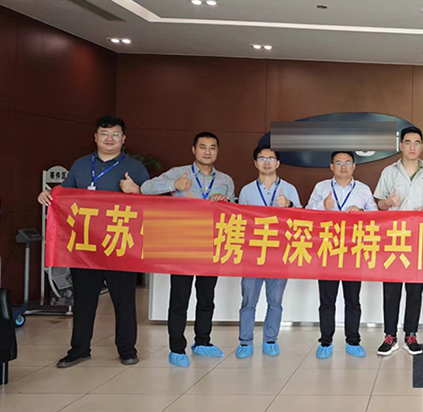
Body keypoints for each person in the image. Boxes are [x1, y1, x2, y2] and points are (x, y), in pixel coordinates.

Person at [37, 115, 149, 367]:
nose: (110, 139)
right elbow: (64, 195)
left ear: (123, 139)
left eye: (115, 134)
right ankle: (79, 349)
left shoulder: (135, 168)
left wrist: (138, 190)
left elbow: (152, 204)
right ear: (95, 137)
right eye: (104, 134)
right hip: (85, 247)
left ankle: (127, 349)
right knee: (84, 301)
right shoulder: (80, 165)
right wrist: (49, 194)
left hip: (120, 246)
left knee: (124, 301)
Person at [141, 132, 235, 367]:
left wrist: (226, 202)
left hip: (211, 245)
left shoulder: (225, 180)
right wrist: (174, 185)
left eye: (212, 147)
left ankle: (203, 341)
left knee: (206, 297)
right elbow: (146, 188)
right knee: (180, 298)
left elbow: (234, 210)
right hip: (182, 244)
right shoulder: (178, 173)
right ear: (194, 150)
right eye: (203, 147)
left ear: (217, 151)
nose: (207, 151)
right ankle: (176, 347)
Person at [373, 126, 423, 356]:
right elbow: (378, 204)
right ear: (401, 145)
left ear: (422, 146)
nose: (413, 147)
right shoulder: (389, 172)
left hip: (419, 240)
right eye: (408, 142)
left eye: (417, 143)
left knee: (415, 290)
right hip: (393, 238)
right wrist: (388, 202)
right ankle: (390, 336)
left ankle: (411, 334)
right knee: (391, 291)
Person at [308, 151, 377, 359]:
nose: (343, 167)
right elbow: (306, 213)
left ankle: (353, 341)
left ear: (354, 166)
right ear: (331, 166)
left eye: (347, 163)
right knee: (327, 300)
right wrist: (323, 206)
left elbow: (376, 217)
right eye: (338, 163)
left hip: (353, 251)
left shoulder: (363, 189)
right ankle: (326, 341)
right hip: (327, 250)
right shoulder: (321, 188)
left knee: (352, 299)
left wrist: (362, 213)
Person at [235, 146, 302, 359]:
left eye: (271, 159)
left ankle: (270, 340)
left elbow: (302, 219)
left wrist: (288, 205)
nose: (266, 162)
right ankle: (245, 341)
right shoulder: (247, 190)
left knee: (275, 301)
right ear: (255, 163)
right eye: (262, 158)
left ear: (278, 163)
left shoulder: (289, 189)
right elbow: (239, 221)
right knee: (248, 301)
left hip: (278, 254)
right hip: (252, 254)